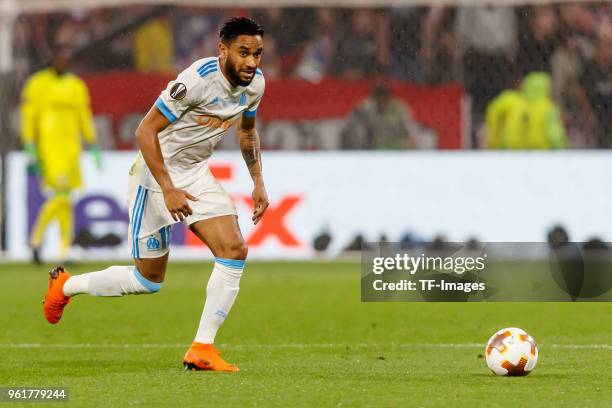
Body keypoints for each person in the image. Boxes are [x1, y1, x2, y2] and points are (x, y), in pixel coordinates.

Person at [42, 17, 269, 372]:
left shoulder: (255, 85)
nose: (252, 62)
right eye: (244, 53)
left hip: (195, 174)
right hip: (155, 174)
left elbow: (247, 131)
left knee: (234, 249)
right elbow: (145, 131)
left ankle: (202, 349)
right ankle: (66, 286)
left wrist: (258, 180)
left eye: (257, 54)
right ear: (223, 50)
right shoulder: (197, 80)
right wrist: (168, 188)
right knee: (147, 281)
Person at [21, 41, 101, 264]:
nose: (63, 61)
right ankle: (37, 240)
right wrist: (29, 143)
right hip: (50, 148)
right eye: (60, 56)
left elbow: (84, 116)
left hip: (71, 150)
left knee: (65, 200)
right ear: (53, 58)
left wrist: (92, 143)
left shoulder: (76, 86)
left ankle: (63, 252)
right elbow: (30, 115)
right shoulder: (37, 84)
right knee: (62, 197)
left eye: (67, 57)